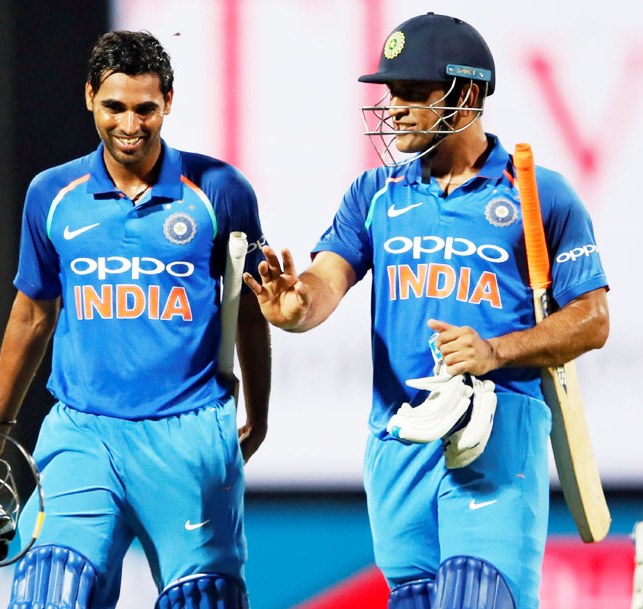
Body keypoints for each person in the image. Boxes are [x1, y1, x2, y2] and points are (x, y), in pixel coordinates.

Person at [244, 12, 608, 609]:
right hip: (398, 435)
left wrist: (497, 351)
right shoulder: (375, 194)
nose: (395, 107)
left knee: (477, 595)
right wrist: (296, 305)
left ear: (466, 95)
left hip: (496, 430)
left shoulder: (535, 194)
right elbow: (325, 281)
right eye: (391, 92)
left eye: (413, 93)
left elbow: (592, 318)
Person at [0, 30, 270, 609]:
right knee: (47, 595)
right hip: (82, 433)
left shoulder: (221, 191)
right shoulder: (52, 194)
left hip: (190, 439)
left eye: (146, 109)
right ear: (89, 96)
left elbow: (253, 313)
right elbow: (33, 313)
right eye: (114, 107)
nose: (130, 125)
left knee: (204, 600)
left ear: (169, 101)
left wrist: (257, 418)